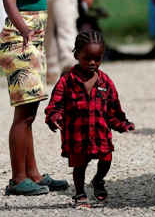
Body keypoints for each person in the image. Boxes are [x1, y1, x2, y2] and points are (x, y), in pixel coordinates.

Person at [0, 0, 69, 196]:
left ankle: (34, 174)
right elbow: (9, 0)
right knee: (23, 115)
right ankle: (17, 179)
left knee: (30, 112)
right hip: (18, 40)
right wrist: (23, 27)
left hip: (33, 42)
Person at [44, 30, 135, 207]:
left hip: (100, 134)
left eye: (98, 58)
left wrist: (123, 124)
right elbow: (55, 104)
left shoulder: (105, 82)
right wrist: (54, 117)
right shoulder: (67, 81)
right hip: (77, 136)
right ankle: (79, 193)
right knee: (80, 166)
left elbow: (113, 110)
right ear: (76, 54)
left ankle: (98, 180)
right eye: (87, 58)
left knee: (106, 159)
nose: (92, 63)